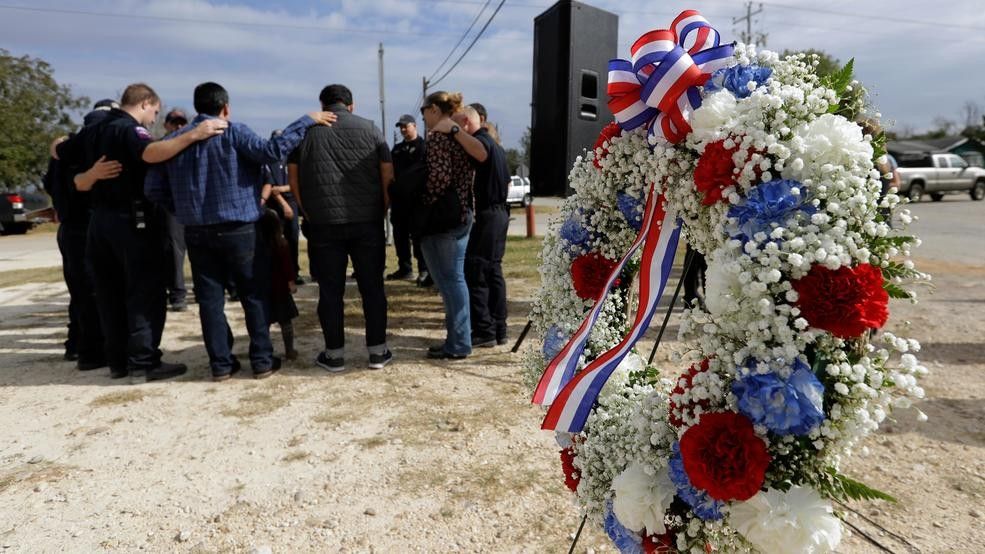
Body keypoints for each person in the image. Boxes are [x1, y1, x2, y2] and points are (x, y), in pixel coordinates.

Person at [145, 81, 336, 381]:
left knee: (209, 302)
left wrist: (185, 208)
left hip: (196, 230)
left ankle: (220, 365)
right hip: (240, 228)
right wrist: (306, 120)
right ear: (225, 108)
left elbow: (154, 188)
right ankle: (261, 360)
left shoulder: (177, 140)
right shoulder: (234, 132)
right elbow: (272, 151)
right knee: (253, 295)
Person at [54, 83, 226, 381]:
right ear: (145, 103)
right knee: (144, 291)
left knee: (109, 295)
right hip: (133, 221)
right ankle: (144, 362)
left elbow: (58, 150)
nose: (152, 119)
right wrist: (194, 134)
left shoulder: (92, 131)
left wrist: (90, 175)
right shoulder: (127, 129)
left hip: (98, 224)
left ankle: (118, 362)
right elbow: (151, 153)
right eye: (154, 112)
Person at [287, 84, 393, 372]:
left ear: (322, 105)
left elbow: (293, 180)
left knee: (330, 291)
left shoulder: (306, 133)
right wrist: (381, 210)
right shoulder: (370, 129)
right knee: (372, 288)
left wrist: (307, 211)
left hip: (322, 224)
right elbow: (387, 175)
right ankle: (377, 352)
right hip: (366, 222)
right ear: (352, 105)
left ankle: (334, 354)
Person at [43, 99, 117, 368]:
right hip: (86, 227)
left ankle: (76, 345)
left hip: (68, 229)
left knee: (80, 292)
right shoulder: (92, 149)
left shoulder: (63, 149)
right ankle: (92, 352)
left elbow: (50, 184)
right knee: (95, 291)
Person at [417, 91, 485, 360]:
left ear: (433, 109)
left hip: (441, 219)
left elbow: (438, 177)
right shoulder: (459, 136)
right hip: (462, 213)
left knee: (449, 283)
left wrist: (423, 201)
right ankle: (458, 340)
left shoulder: (438, 138)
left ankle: (457, 344)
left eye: (424, 111)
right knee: (456, 280)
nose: (423, 117)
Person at [453, 105, 511, 347]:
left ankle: (484, 330)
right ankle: (499, 328)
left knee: (476, 272)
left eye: (457, 124)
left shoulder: (483, 142)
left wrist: (453, 130)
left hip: (488, 215)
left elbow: (480, 152)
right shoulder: (496, 145)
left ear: (466, 122)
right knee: (492, 271)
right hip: (499, 214)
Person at [387, 114, 429, 285]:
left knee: (418, 237)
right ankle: (405, 268)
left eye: (406, 126)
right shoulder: (397, 149)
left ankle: (424, 269)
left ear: (414, 126)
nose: (403, 130)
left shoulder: (424, 146)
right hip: (399, 201)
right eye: (401, 127)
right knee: (400, 236)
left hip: (417, 201)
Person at [262, 130, 303, 284]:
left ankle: (294, 273)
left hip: (292, 201)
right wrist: (284, 203)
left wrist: (286, 189)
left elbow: (298, 183)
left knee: (293, 238)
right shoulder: (268, 161)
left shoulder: (292, 158)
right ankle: (275, 274)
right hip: (274, 204)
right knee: (274, 239)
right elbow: (272, 187)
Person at [258, 208, 299, 361]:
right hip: (281, 290)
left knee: (264, 323)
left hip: (264, 290)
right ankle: (289, 350)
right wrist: (291, 283)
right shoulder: (282, 244)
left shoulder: (257, 247)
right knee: (286, 322)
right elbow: (287, 267)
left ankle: (264, 351)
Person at [161, 108, 190, 311]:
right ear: (166, 124)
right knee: (174, 251)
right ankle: (178, 294)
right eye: (174, 122)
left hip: (192, 206)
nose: (179, 126)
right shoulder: (160, 147)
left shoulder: (192, 146)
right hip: (171, 206)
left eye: (182, 123)